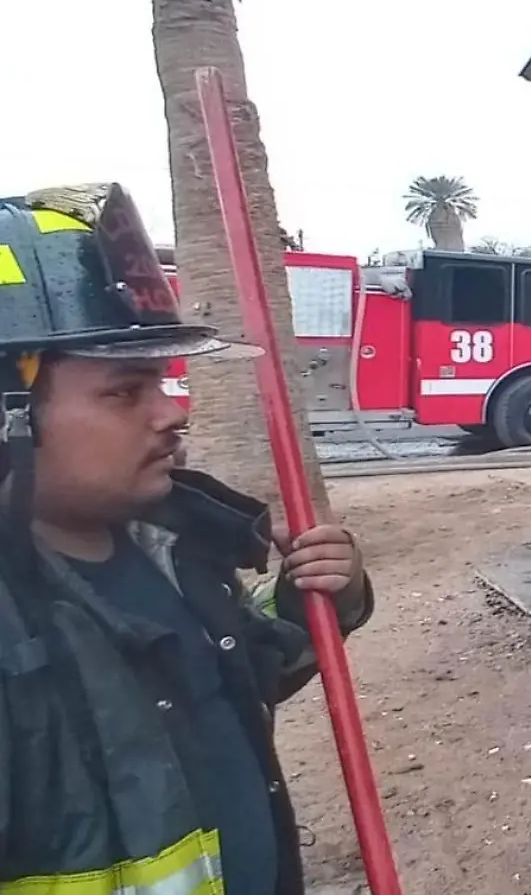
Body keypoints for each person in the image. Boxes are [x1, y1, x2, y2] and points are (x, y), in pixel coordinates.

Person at [0, 183, 373, 893]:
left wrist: (315, 603)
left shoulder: (169, 551)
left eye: (164, 382)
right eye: (124, 391)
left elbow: (235, 677)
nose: (173, 413)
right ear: (9, 416)